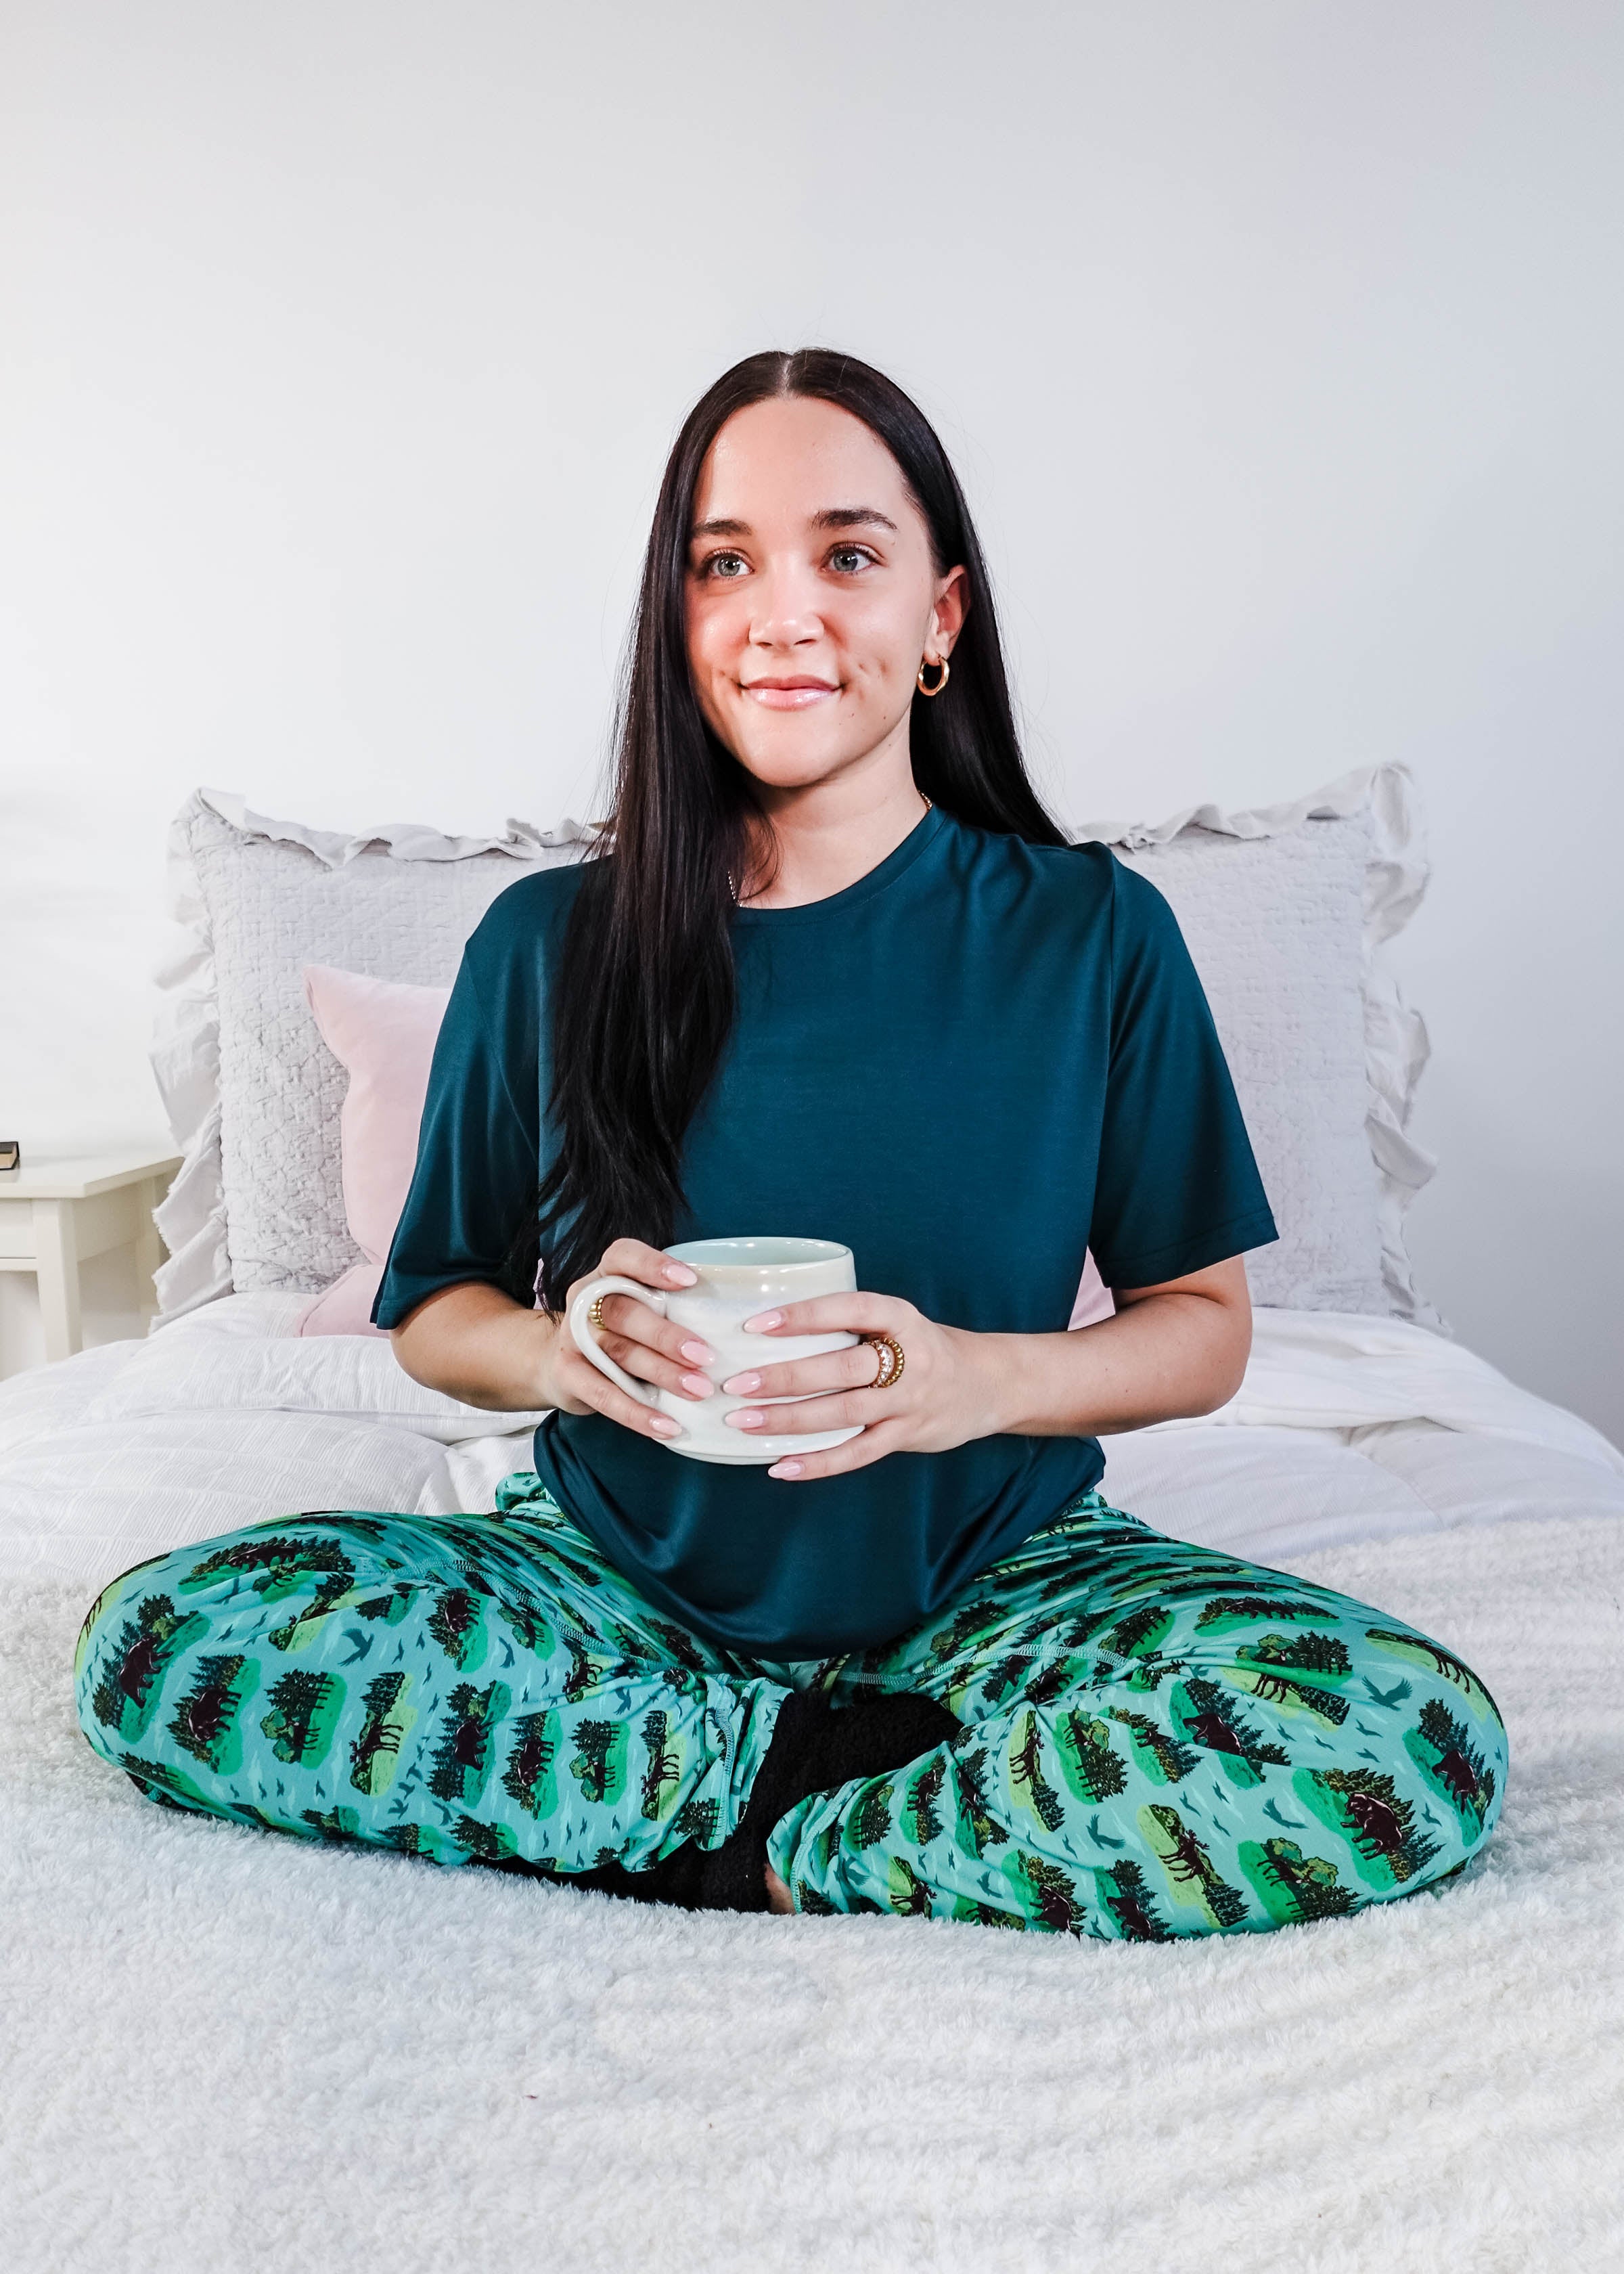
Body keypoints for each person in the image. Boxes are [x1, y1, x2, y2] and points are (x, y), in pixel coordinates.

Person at [74, 350, 1508, 1937]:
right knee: (169, 1641)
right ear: (676, 621)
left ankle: (770, 1836)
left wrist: (975, 1380)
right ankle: (822, 1778)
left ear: (939, 616)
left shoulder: (1094, 934)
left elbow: (1203, 1333)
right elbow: (435, 1313)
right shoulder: (547, 945)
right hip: (615, 1580)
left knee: (1405, 1733)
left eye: (847, 555)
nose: (783, 614)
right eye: (724, 563)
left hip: (997, 1573)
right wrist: (565, 1358)